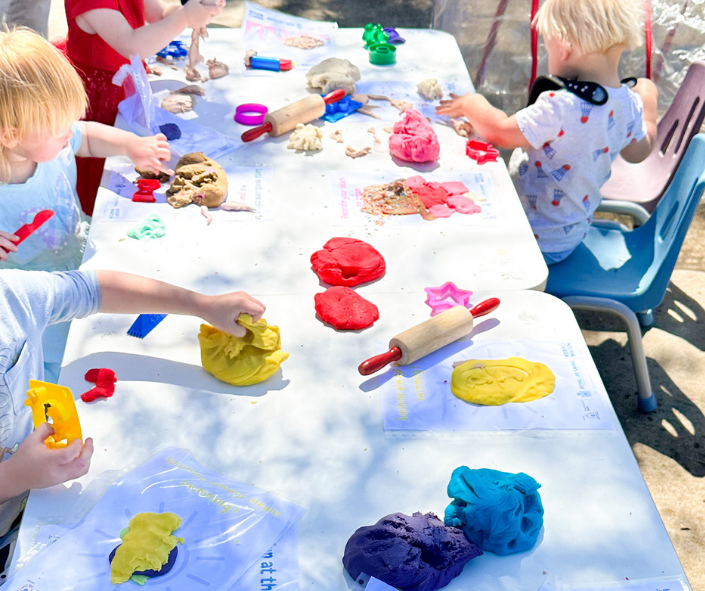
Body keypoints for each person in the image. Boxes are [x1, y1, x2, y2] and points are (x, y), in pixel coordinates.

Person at [0, 268, 265, 571]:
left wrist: (200, 304)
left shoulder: (11, 297)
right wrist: (12, 477)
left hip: (37, 503)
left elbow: (91, 289)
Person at [437, 0, 659, 265]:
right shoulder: (628, 103)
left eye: (547, 46)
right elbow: (638, 152)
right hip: (569, 237)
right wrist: (648, 108)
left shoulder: (561, 104)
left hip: (526, 238)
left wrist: (471, 103)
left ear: (564, 47)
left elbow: (500, 132)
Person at [0, 27, 171, 273]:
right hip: (37, 291)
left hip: (80, 252)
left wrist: (131, 145)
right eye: (61, 130)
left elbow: (88, 135)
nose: (70, 134)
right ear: (11, 136)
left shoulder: (53, 144)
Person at [64, 0, 225, 215]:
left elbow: (161, 14)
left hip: (124, 86)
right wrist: (185, 17)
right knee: (105, 165)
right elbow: (132, 44)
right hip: (96, 98)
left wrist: (196, 13)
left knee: (136, 151)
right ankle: (95, 218)